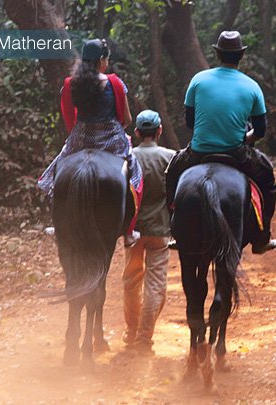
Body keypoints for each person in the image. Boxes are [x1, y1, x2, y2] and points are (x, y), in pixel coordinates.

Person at [164, 30, 276, 254]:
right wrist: (245, 139)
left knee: (171, 175)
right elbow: (261, 130)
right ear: (241, 56)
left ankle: (177, 230)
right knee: (268, 180)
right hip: (236, 152)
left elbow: (190, 122)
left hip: (198, 151)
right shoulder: (253, 86)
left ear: (217, 54)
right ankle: (262, 236)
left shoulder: (198, 79)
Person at [38, 38, 142, 246]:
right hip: (112, 139)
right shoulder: (114, 82)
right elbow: (127, 120)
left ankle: (57, 223)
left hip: (81, 137)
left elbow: (69, 118)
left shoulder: (70, 84)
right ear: (101, 60)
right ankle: (130, 231)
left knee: (56, 173)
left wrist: (77, 136)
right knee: (135, 174)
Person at [121, 110, 174, 356]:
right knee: (156, 285)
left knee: (131, 281)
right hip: (161, 230)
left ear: (138, 133)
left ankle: (132, 331)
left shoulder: (128, 157)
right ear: (160, 131)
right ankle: (144, 337)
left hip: (134, 231)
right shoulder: (171, 158)